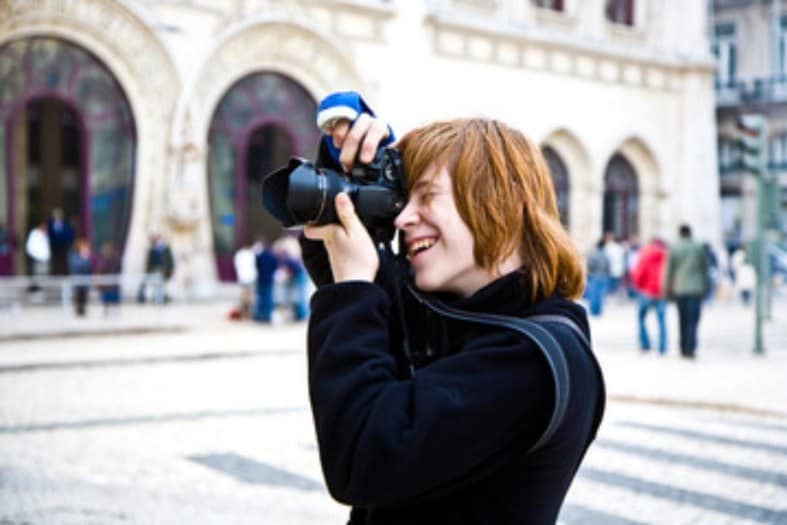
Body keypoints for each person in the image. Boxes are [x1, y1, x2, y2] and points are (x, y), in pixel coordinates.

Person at [301, 110, 605, 523]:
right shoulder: (462, 314)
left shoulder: (533, 362)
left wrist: (353, 288)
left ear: (504, 203)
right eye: (405, 199)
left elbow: (363, 456)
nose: (404, 218)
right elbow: (361, 282)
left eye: (427, 196)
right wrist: (344, 161)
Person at [664, 224, 709, 359]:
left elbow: (669, 271)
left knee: (682, 319)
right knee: (693, 320)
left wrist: (666, 290)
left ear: (680, 233)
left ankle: (683, 347)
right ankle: (691, 347)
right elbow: (704, 269)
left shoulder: (675, 247)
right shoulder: (698, 247)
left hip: (680, 289)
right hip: (696, 289)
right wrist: (706, 287)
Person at [630, 237, 668, 354]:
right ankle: (662, 346)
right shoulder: (666, 255)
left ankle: (645, 344)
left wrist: (638, 286)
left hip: (646, 291)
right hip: (661, 292)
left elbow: (639, 271)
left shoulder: (645, 254)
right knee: (661, 320)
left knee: (641, 318)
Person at [137, 234, 174, 304]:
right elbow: (149, 262)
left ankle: (161, 298)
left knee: (161, 285)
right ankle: (157, 299)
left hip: (162, 271)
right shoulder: (152, 250)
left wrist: (169, 271)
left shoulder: (165, 249)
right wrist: (147, 271)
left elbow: (170, 262)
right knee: (156, 285)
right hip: (154, 271)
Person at [253, 237, 277, 323]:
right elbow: (275, 266)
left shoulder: (260, 256)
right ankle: (267, 316)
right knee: (268, 297)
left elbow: (256, 265)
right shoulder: (272, 255)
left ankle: (259, 315)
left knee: (260, 297)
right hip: (269, 278)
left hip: (261, 278)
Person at [232, 240, 257, 319]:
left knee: (244, 298)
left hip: (244, 278)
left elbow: (236, 266)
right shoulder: (251, 254)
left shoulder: (240, 255)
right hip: (249, 278)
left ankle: (245, 313)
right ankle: (247, 314)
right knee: (248, 298)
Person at [585, 239, 610, 316]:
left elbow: (589, 265)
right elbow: (608, 265)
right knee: (601, 295)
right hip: (603, 276)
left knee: (593, 294)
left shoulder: (593, 254)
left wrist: (590, 272)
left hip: (594, 276)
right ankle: (598, 310)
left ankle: (593, 310)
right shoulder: (605, 254)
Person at [68, 238, 92, 316]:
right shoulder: (74, 256)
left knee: (84, 297)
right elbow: (76, 266)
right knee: (78, 297)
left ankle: (83, 311)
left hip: (85, 281)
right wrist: (84, 258)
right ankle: (78, 311)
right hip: (77, 281)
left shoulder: (86, 256)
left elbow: (89, 266)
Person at [97, 241, 122, 315]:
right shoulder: (103, 261)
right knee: (107, 308)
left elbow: (118, 271)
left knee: (115, 308)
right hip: (107, 288)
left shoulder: (116, 260)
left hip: (114, 288)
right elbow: (100, 274)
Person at [47, 208, 74, 275]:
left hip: (63, 247)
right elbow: (49, 236)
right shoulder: (50, 225)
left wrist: (67, 243)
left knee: (64, 262)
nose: (57, 217)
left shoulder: (65, 225)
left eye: (59, 215)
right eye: (56, 215)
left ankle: (63, 274)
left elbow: (69, 235)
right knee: (55, 263)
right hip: (54, 248)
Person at [25, 221, 51, 293]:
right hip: (38, 260)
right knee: (36, 278)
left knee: (43, 278)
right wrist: (37, 256)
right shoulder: (34, 234)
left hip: (44, 260)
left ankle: (41, 293)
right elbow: (29, 248)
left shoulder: (44, 234)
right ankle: (36, 294)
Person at [603, 231, 625, 298]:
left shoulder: (608, 247)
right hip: (616, 269)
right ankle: (614, 296)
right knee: (615, 285)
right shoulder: (618, 247)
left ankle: (612, 296)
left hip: (612, 269)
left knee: (612, 285)